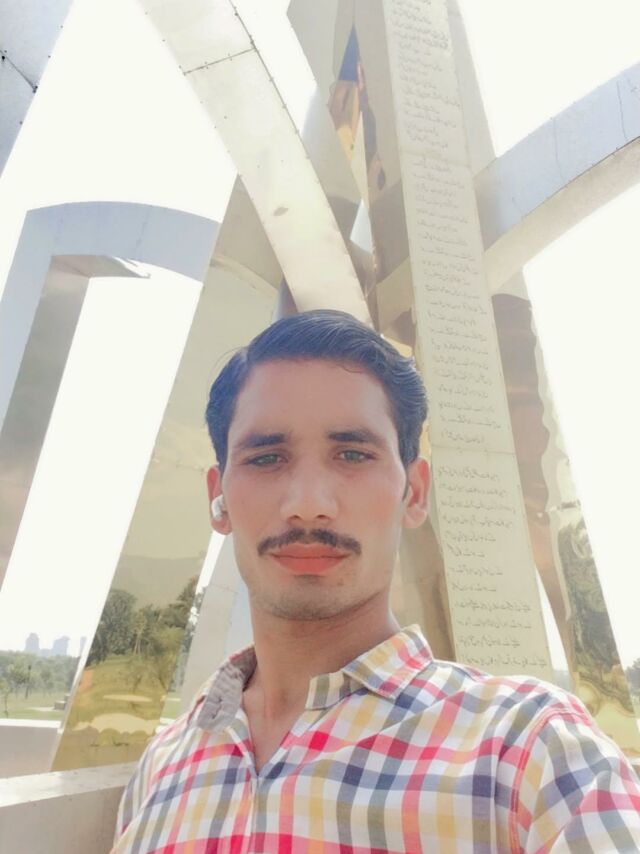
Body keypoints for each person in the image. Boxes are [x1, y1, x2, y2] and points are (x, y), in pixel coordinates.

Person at [112, 310, 640, 853]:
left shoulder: (529, 753)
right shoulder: (164, 766)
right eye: (267, 458)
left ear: (414, 492)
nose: (308, 505)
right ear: (218, 497)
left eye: (352, 455)